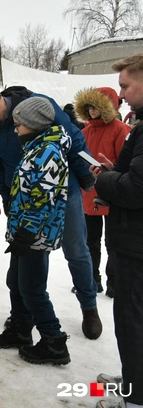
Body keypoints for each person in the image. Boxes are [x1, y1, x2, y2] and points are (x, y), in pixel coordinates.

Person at [0, 79, 103, 340]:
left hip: (62, 190)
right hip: (23, 197)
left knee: (76, 250)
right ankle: (24, 317)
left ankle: (89, 306)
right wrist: (7, 199)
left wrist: (85, 178)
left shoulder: (37, 106)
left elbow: (72, 139)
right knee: (29, 257)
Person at [0, 97, 71, 364]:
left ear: (33, 125)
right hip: (24, 231)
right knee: (16, 282)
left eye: (19, 125)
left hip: (35, 235)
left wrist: (28, 231)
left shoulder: (47, 152)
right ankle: (21, 330)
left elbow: (41, 198)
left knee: (32, 289)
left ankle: (53, 341)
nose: (15, 130)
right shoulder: (36, 147)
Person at [93, 53, 143, 408]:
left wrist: (106, 178)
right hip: (133, 239)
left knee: (132, 320)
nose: (121, 94)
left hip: (136, 245)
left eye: (125, 86)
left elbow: (134, 189)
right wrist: (118, 173)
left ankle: (135, 396)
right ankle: (133, 379)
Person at [73, 87, 131, 297]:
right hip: (89, 193)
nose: (92, 109)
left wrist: (109, 170)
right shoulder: (84, 131)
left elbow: (126, 162)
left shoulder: (121, 129)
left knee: (113, 242)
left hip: (113, 192)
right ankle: (92, 279)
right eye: (88, 105)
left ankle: (114, 282)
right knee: (90, 241)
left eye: (96, 105)